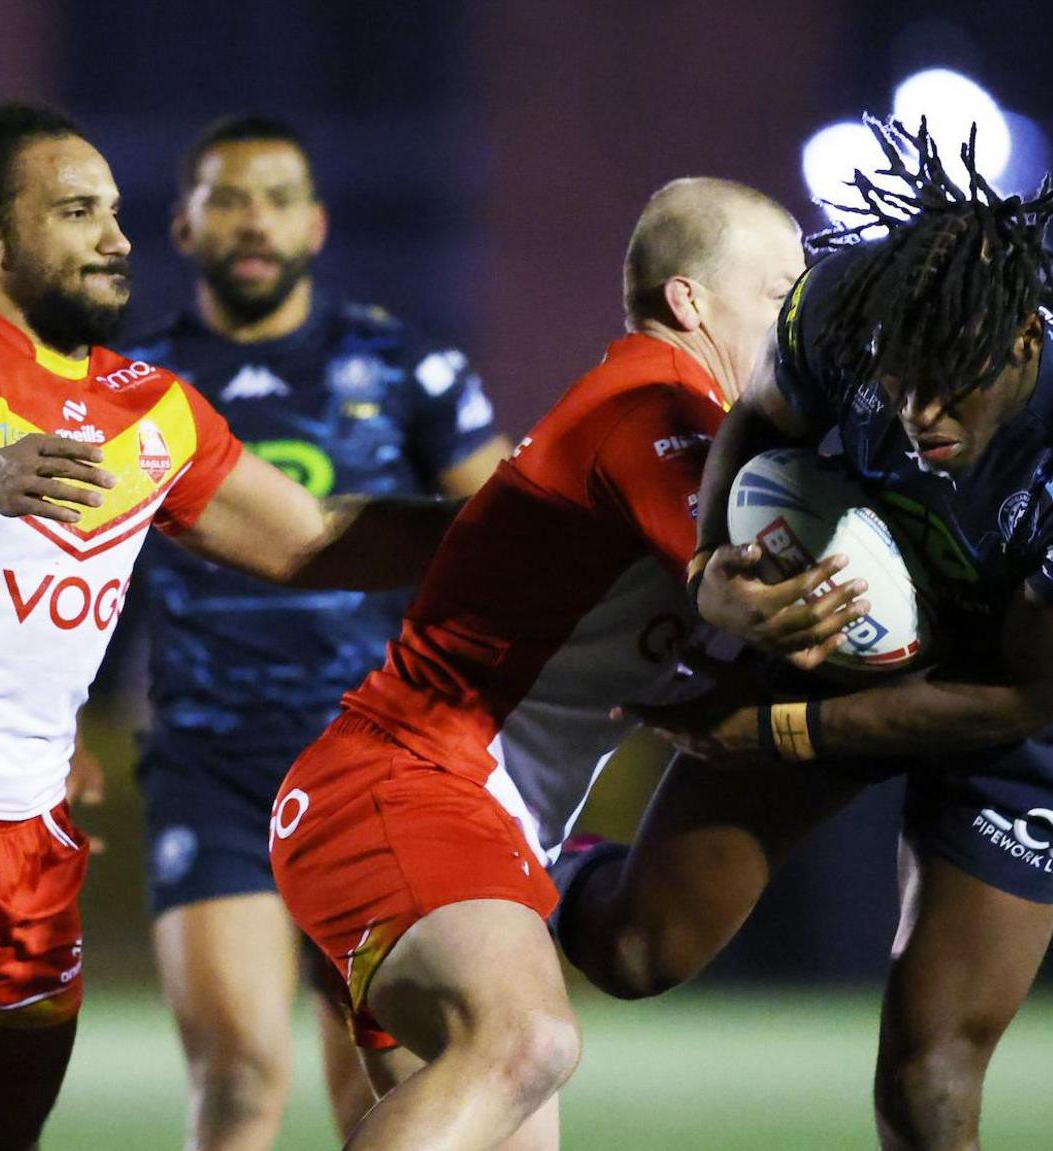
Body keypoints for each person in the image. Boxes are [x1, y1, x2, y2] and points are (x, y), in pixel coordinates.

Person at [0, 102, 458, 1151]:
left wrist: (520, 519)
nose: (117, 238)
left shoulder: (154, 409)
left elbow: (312, 538)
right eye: (78, 212)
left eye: (116, 212)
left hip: (32, 836)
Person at [553, 119, 1053, 1151]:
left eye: (950, 384)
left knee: (927, 1072)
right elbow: (757, 419)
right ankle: (538, 866)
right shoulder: (845, 305)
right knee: (634, 954)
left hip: (1017, 709)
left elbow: (1026, 694)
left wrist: (775, 730)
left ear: (1024, 344)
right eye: (900, 379)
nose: (918, 411)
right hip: (844, 637)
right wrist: (708, 566)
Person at [269, 176, 812, 1151]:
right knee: (529, 1039)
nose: (796, 320)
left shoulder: (695, 428)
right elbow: (753, 585)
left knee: (517, 1084)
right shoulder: (654, 398)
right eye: (780, 291)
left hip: (457, 817)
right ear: (689, 299)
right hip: (408, 787)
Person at [104, 113, 508, 1151]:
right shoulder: (130, 383)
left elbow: (507, 535)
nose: (255, 222)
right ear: (182, 226)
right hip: (208, 761)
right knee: (239, 1071)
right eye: (229, 199)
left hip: (369, 763)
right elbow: (66, 562)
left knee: (379, 1075)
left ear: (316, 226)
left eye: (278, 200)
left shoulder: (404, 365)